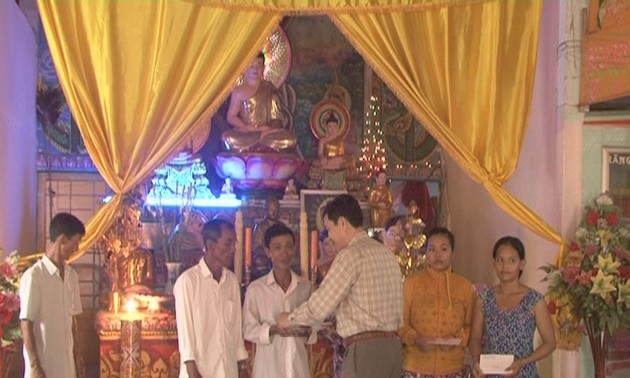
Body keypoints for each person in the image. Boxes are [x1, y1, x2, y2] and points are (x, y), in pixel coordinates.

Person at [277, 194, 403, 378]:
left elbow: (319, 307)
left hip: (365, 353)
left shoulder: (350, 255)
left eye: (329, 229)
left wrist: (289, 319)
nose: (329, 236)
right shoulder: (387, 254)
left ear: (343, 223)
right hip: (393, 349)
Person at [469, 236, 556, 378]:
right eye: (500, 260)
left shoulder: (534, 300)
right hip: (490, 374)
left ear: (522, 264)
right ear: (494, 263)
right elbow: (475, 339)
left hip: (524, 373)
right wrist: (476, 361)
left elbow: (550, 343)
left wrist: (523, 362)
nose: (505, 266)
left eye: (512, 261)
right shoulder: (484, 298)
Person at [173, 219, 249, 378]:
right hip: (201, 371)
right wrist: (192, 371)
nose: (233, 250)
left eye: (234, 244)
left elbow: (236, 330)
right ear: (211, 245)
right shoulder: (188, 282)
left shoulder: (232, 282)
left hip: (228, 372)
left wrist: (242, 366)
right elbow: (185, 335)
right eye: (227, 244)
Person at [399, 227, 475, 377]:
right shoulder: (412, 283)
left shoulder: (465, 287)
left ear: (453, 253)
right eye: (432, 249)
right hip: (416, 365)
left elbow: (471, 326)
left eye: (444, 249)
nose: (437, 255)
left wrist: (457, 339)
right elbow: (400, 322)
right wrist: (415, 339)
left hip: (452, 367)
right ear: (426, 253)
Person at [242, 224, 315, 378]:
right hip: (268, 368)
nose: (284, 253)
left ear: (295, 249)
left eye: (289, 246)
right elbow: (248, 329)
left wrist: (304, 330)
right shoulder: (256, 289)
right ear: (268, 252)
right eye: (277, 247)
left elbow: (314, 327)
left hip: (297, 367)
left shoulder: (305, 287)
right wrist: (273, 330)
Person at [20, 212, 85, 378]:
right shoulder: (34, 277)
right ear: (62, 240)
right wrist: (35, 367)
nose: (77, 249)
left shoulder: (72, 276)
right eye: (75, 243)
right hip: (43, 368)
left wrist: (78, 359)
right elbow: (26, 324)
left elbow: (75, 322)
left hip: (67, 368)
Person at [223, 52, 297, 153]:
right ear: (245, 68)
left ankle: (258, 145)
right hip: (246, 133)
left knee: (290, 140)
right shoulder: (238, 91)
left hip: (267, 133)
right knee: (228, 138)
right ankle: (260, 146)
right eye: (252, 65)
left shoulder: (270, 90)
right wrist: (246, 127)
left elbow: (277, 119)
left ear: (263, 68)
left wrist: (268, 129)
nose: (255, 69)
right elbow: (231, 116)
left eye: (259, 66)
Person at [251, 197, 283, 279]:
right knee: (259, 261)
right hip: (265, 256)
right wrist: (269, 252)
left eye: (276, 209)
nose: (273, 212)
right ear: (265, 210)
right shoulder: (260, 226)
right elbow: (256, 247)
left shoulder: (281, 226)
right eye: (271, 209)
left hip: (280, 255)